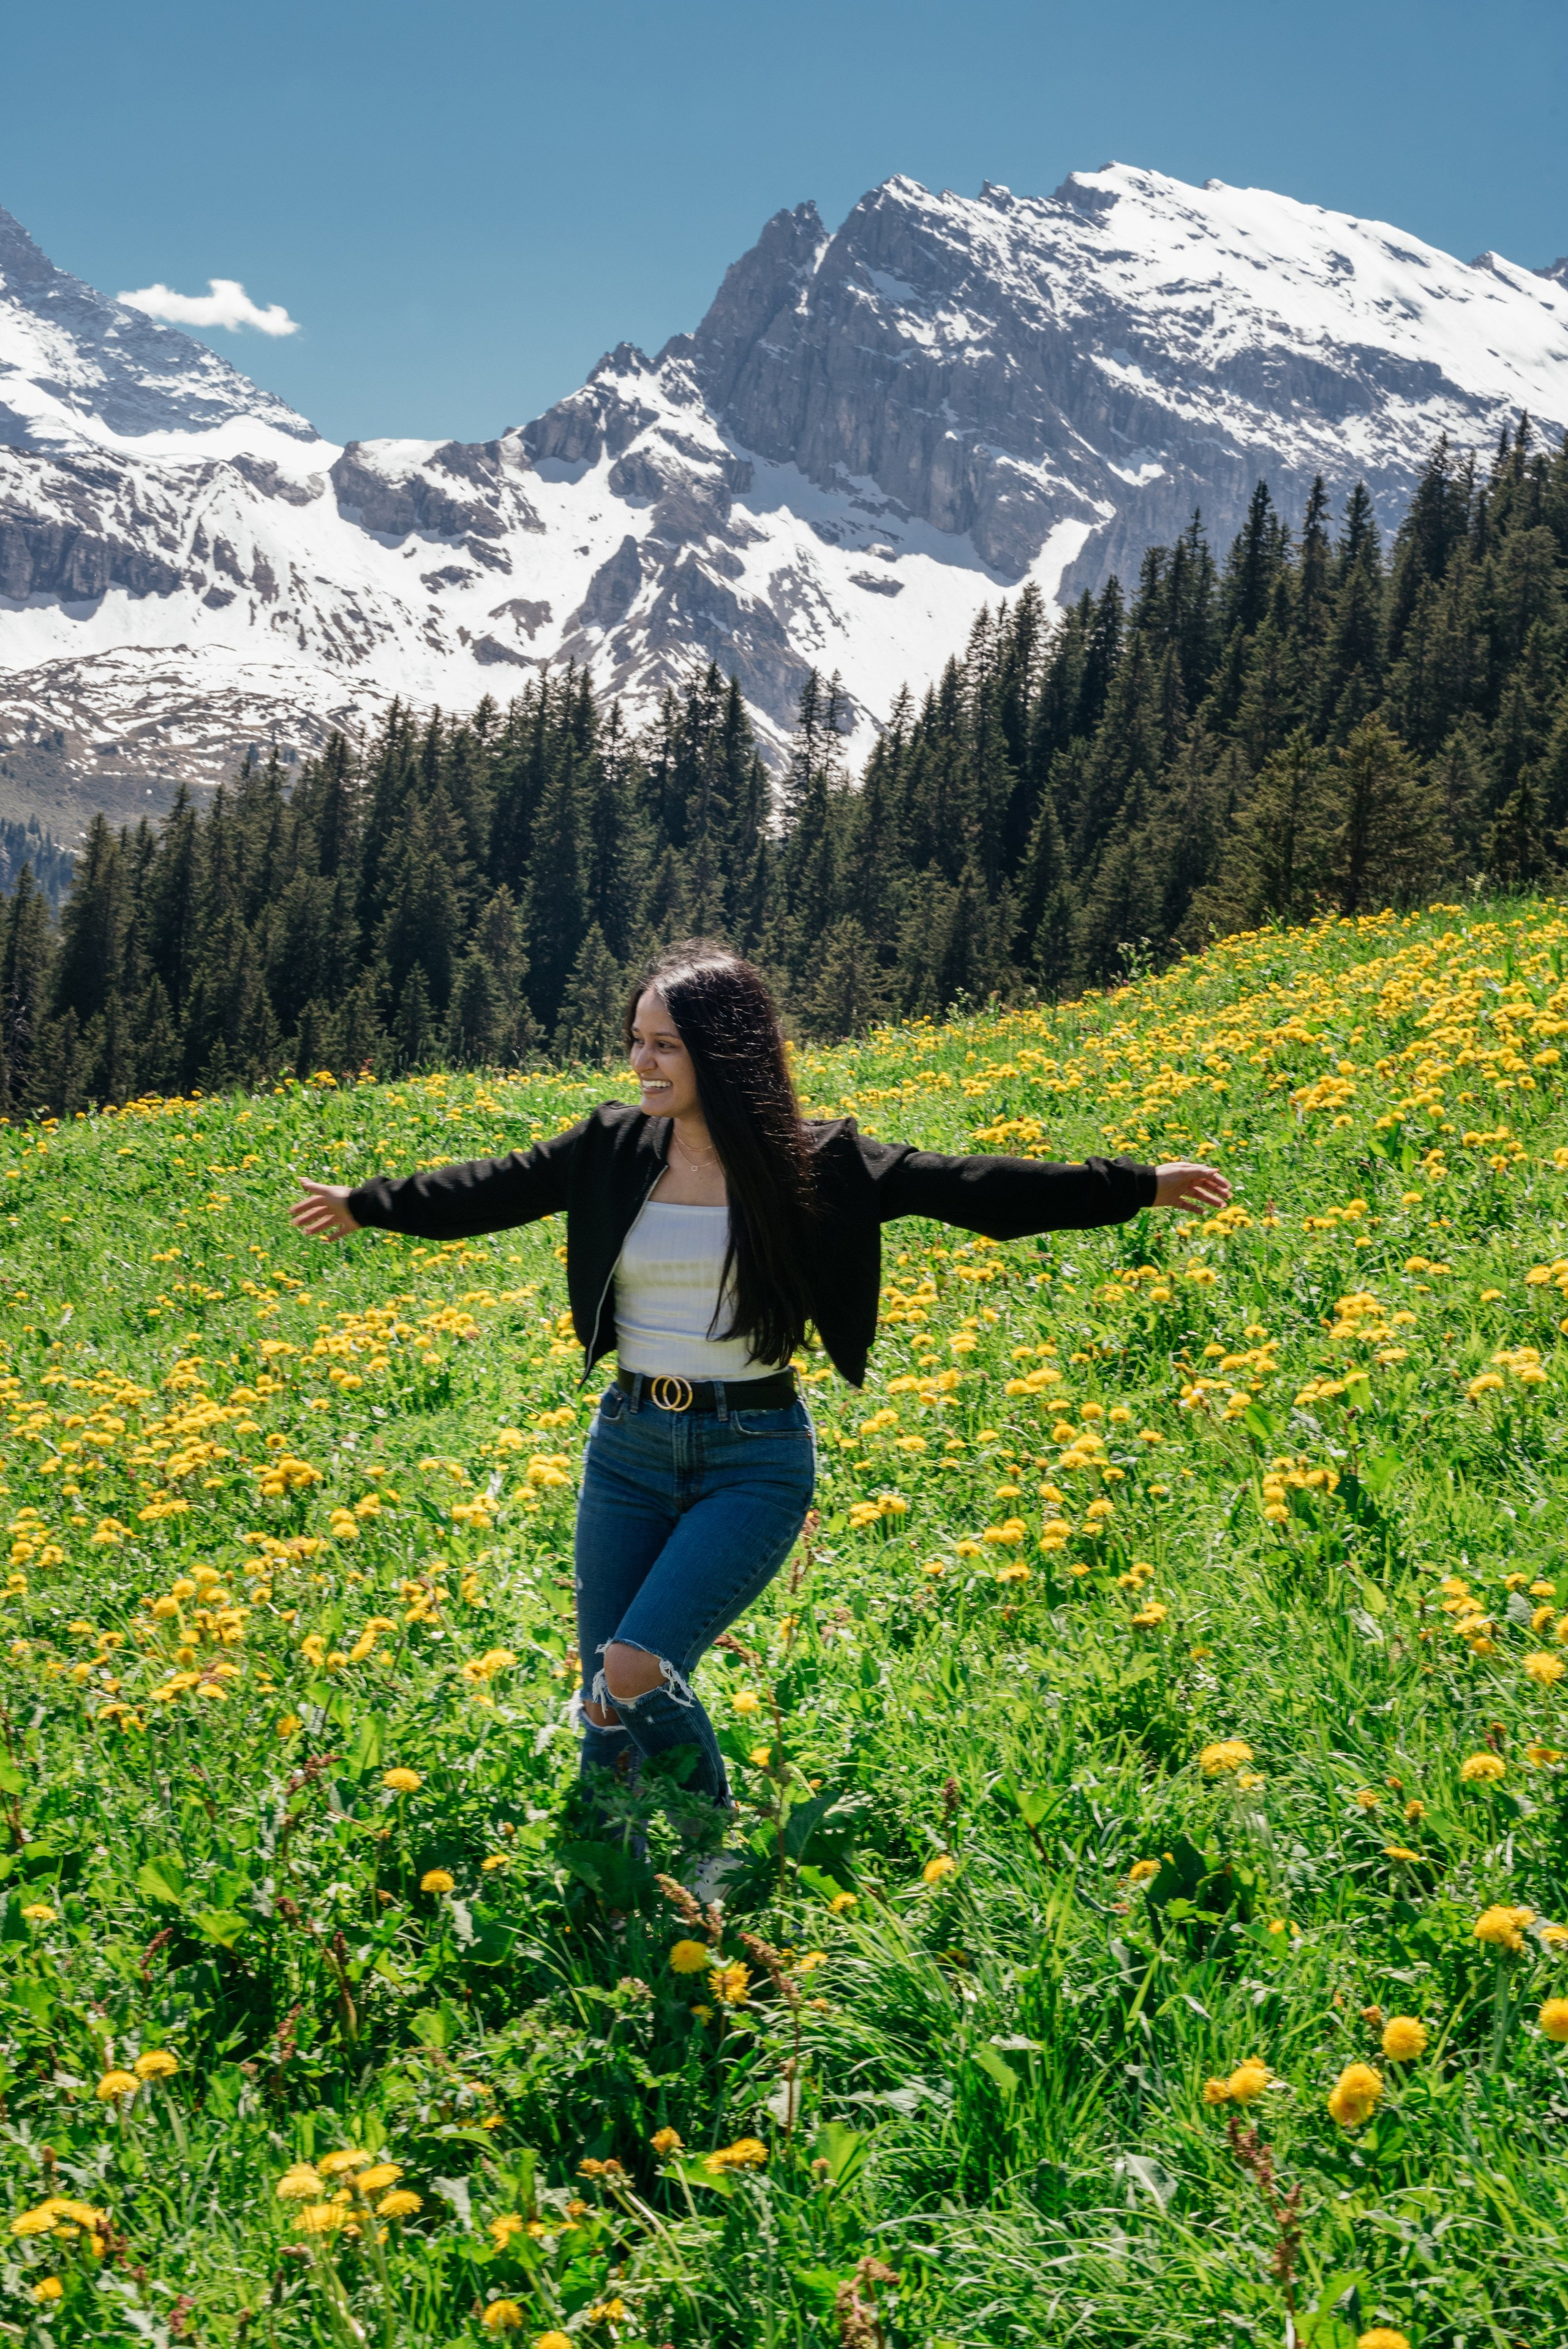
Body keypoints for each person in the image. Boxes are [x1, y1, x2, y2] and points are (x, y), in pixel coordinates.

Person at [288, 938, 1229, 1828]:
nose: (641, 1064)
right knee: (604, 1696)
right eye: (637, 1042)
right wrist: (367, 1206)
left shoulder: (817, 1164)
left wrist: (1136, 1184)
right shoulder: (612, 1148)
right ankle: (609, 1871)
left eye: (664, 1046)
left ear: (723, 1055)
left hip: (753, 1455)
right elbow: (490, 1188)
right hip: (627, 1447)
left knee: (635, 1668)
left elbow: (980, 1189)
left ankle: (708, 1845)